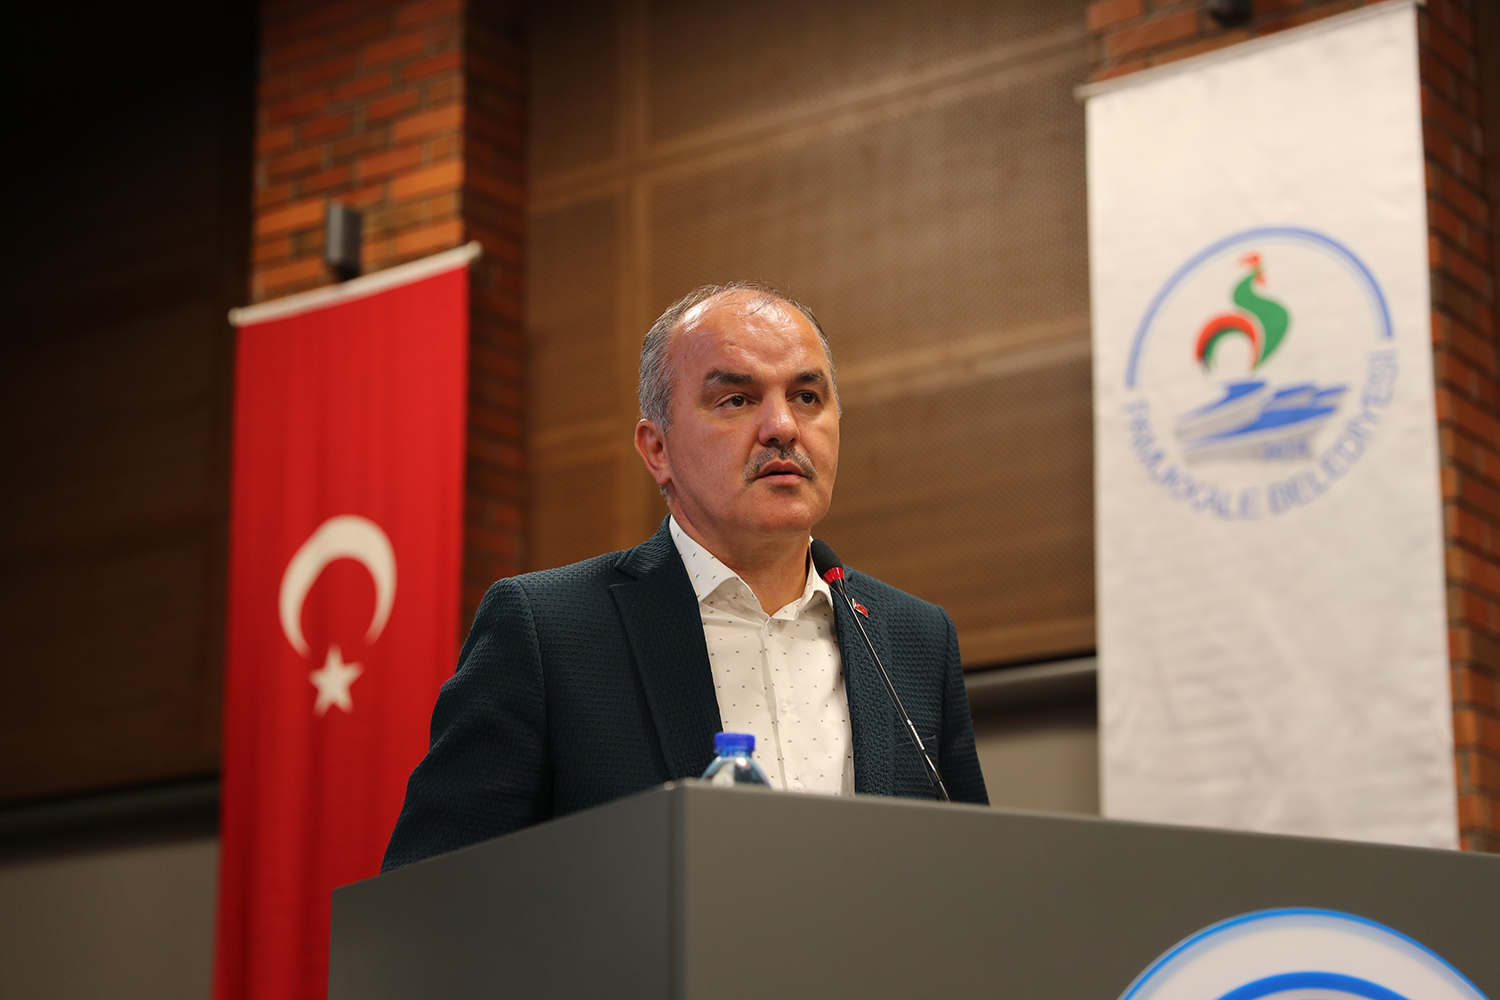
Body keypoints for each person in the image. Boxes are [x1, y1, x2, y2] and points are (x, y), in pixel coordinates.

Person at [382, 283, 987, 870]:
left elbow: (976, 881)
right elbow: (429, 899)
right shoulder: (550, 632)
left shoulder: (914, 639)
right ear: (657, 450)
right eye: (737, 400)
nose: (782, 426)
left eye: (807, 397)